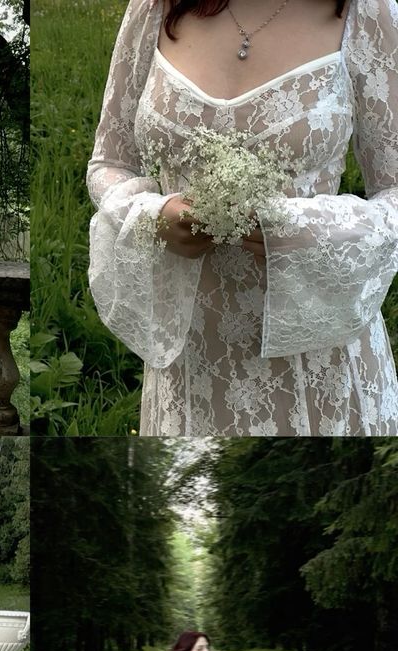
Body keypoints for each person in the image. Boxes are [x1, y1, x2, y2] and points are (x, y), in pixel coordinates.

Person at [87, 0, 398, 437]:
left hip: (320, 367)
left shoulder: (366, 13)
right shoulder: (156, 8)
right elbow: (108, 162)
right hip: (190, 362)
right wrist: (152, 215)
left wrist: (305, 231)